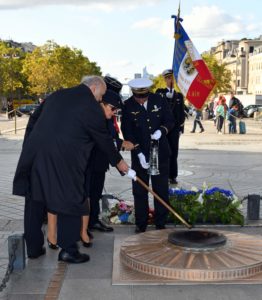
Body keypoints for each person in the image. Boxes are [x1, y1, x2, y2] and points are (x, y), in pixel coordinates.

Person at [13, 75, 135, 264]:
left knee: (35, 199)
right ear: (93, 88)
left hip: (36, 155)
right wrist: (119, 162)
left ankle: (34, 248)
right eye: (101, 95)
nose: (100, 99)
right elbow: (102, 139)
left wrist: (30, 148)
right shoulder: (91, 106)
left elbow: (33, 122)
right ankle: (69, 250)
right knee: (72, 198)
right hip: (63, 160)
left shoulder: (56, 95)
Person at [121, 78, 174, 233]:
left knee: (161, 189)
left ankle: (161, 222)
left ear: (148, 93)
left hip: (160, 152)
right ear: (133, 93)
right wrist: (138, 153)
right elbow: (127, 131)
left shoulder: (159, 100)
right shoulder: (128, 105)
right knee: (139, 190)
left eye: (144, 96)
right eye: (138, 97)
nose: (141, 100)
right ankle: (141, 223)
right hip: (140, 154)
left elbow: (170, 120)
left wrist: (162, 131)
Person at [88, 76, 134, 233]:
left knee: (95, 192)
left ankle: (93, 220)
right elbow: (104, 138)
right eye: (113, 108)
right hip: (91, 159)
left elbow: (111, 134)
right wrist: (121, 145)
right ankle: (86, 225)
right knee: (88, 193)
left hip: (100, 160)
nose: (114, 112)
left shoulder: (105, 112)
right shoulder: (95, 115)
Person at [156, 69, 186, 185]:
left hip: (174, 130)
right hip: (163, 129)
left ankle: (173, 175)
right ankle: (164, 174)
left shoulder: (179, 95)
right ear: (165, 80)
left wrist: (180, 129)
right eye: (168, 78)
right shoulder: (160, 92)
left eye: (172, 78)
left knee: (174, 153)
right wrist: (165, 96)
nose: (170, 80)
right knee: (164, 152)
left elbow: (181, 113)